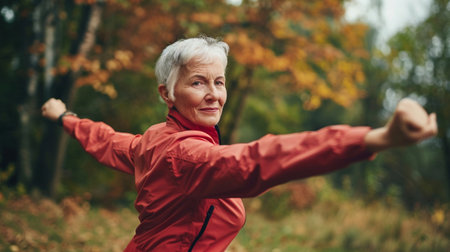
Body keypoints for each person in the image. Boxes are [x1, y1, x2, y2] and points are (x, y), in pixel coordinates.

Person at [41, 36, 437, 252]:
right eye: (198, 82)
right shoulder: (187, 155)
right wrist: (374, 138)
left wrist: (65, 117)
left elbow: (108, 140)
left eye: (220, 81)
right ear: (167, 93)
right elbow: (259, 160)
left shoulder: (155, 140)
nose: (214, 94)